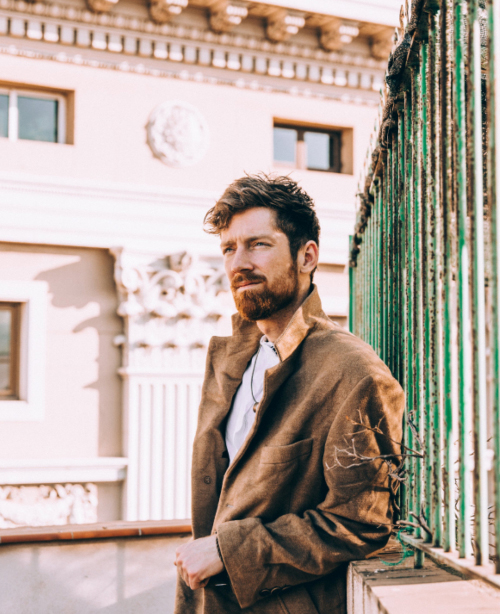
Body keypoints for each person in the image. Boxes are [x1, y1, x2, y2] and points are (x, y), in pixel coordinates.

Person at [174, 174, 404, 614]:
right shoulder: (230, 358)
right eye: (229, 248)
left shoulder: (353, 372)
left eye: (258, 244)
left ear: (307, 256)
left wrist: (228, 551)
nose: (239, 263)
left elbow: (362, 524)